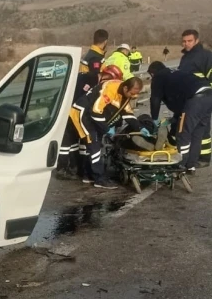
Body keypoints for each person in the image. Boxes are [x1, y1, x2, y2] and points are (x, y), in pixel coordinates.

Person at [69, 76, 147, 189]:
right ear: (125, 89)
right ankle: (99, 179)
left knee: (94, 144)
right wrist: (106, 129)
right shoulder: (109, 90)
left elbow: (127, 113)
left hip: (94, 115)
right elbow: (95, 112)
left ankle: (88, 175)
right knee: (94, 144)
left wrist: (139, 128)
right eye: (132, 94)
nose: (134, 97)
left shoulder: (124, 92)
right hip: (83, 113)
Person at [55, 29, 109, 180]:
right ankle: (68, 167)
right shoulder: (95, 58)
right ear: (105, 41)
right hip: (82, 100)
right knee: (75, 136)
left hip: (77, 97)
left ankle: (72, 166)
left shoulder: (89, 54)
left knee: (72, 137)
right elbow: (94, 78)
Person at [148, 60, 212, 174]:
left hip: (196, 99)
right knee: (196, 134)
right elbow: (181, 101)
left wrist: (154, 118)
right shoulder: (176, 73)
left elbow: (155, 99)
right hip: (209, 96)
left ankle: (181, 165)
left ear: (153, 73)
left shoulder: (159, 76)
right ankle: (191, 165)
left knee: (183, 133)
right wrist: (174, 118)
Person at [175, 29, 212, 167]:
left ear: (196, 40)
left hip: (203, 97)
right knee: (196, 129)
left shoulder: (206, 56)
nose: (186, 44)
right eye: (184, 41)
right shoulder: (185, 58)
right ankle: (194, 158)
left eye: (189, 41)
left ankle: (203, 158)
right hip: (190, 98)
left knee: (201, 129)